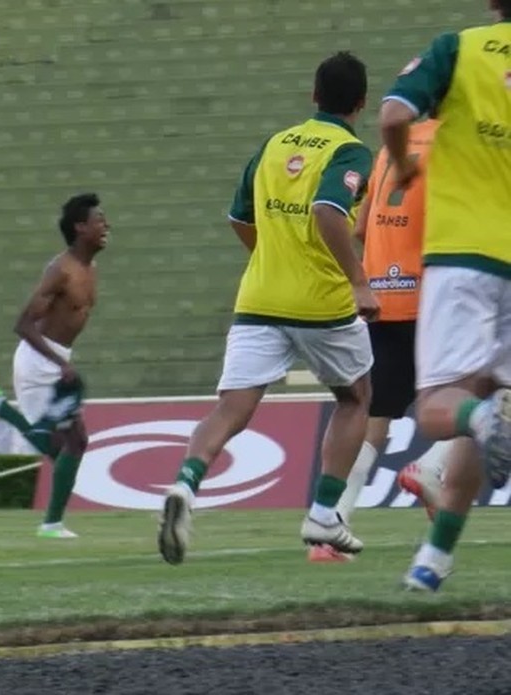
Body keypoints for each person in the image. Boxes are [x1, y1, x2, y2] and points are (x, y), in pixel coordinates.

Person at [158, 52, 378, 565]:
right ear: (361, 103)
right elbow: (328, 211)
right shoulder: (350, 152)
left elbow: (239, 217)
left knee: (232, 408)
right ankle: (324, 513)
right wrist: (359, 282)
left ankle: (185, 487)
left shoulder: (275, 144)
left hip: (258, 298)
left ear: (313, 96)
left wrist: (270, 259)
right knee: (357, 397)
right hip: (320, 303)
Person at [380, 0, 511, 592]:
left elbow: (391, 117)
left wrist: (406, 166)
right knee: (489, 394)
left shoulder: (458, 49)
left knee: (440, 407)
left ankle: (487, 420)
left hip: (464, 256)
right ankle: (434, 560)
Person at [308, 117, 455, 563]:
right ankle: (432, 467)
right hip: (432, 292)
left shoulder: (389, 147)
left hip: (383, 295)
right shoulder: (457, 142)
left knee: (375, 414)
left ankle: (333, 528)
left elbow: (359, 228)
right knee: (488, 389)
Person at [0, 193, 109, 538]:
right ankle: (51, 524)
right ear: (80, 227)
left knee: (67, 446)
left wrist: (64, 362)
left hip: (56, 360)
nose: (106, 226)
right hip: (38, 363)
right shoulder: (60, 272)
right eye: (99, 220)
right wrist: (59, 363)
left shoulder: (90, 268)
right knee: (72, 444)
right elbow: (23, 324)